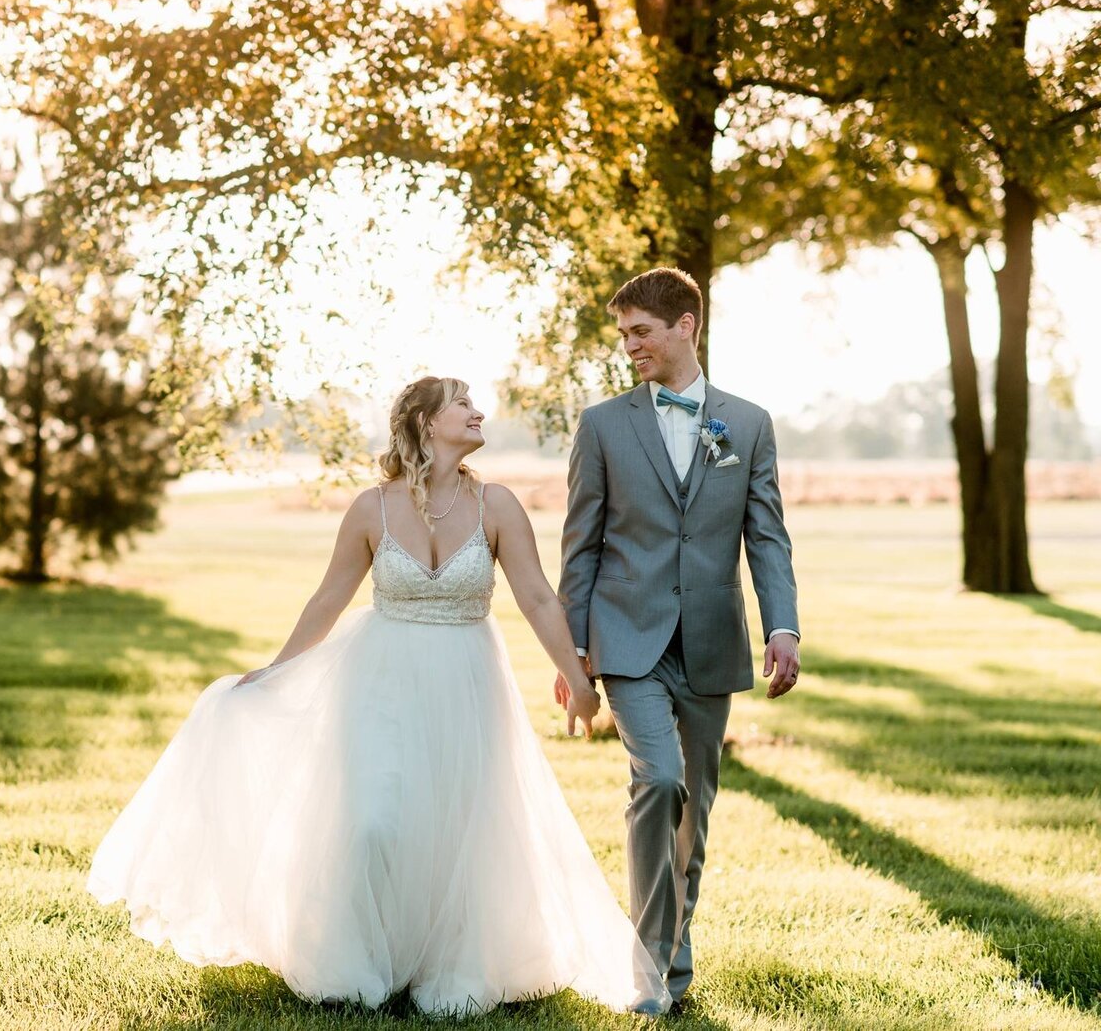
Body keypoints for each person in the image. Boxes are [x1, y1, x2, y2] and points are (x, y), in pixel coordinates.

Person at [88, 376, 670, 1017]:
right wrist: (276, 672)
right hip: (379, 680)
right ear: (426, 423)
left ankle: (451, 967)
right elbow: (329, 598)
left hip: (467, 682)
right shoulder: (371, 508)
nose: (479, 413)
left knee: (460, 828)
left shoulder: (497, 505)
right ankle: (357, 961)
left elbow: (536, 597)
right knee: (372, 822)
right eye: (463, 403)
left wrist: (579, 683)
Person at [557, 267, 801, 1012]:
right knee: (657, 781)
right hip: (626, 639)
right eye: (624, 333)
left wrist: (782, 626)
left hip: (711, 642)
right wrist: (572, 655)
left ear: (685, 326)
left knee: (694, 811)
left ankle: (671, 968)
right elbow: (581, 547)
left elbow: (767, 536)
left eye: (641, 331)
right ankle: (645, 976)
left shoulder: (749, 423)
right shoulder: (602, 425)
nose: (629, 346)